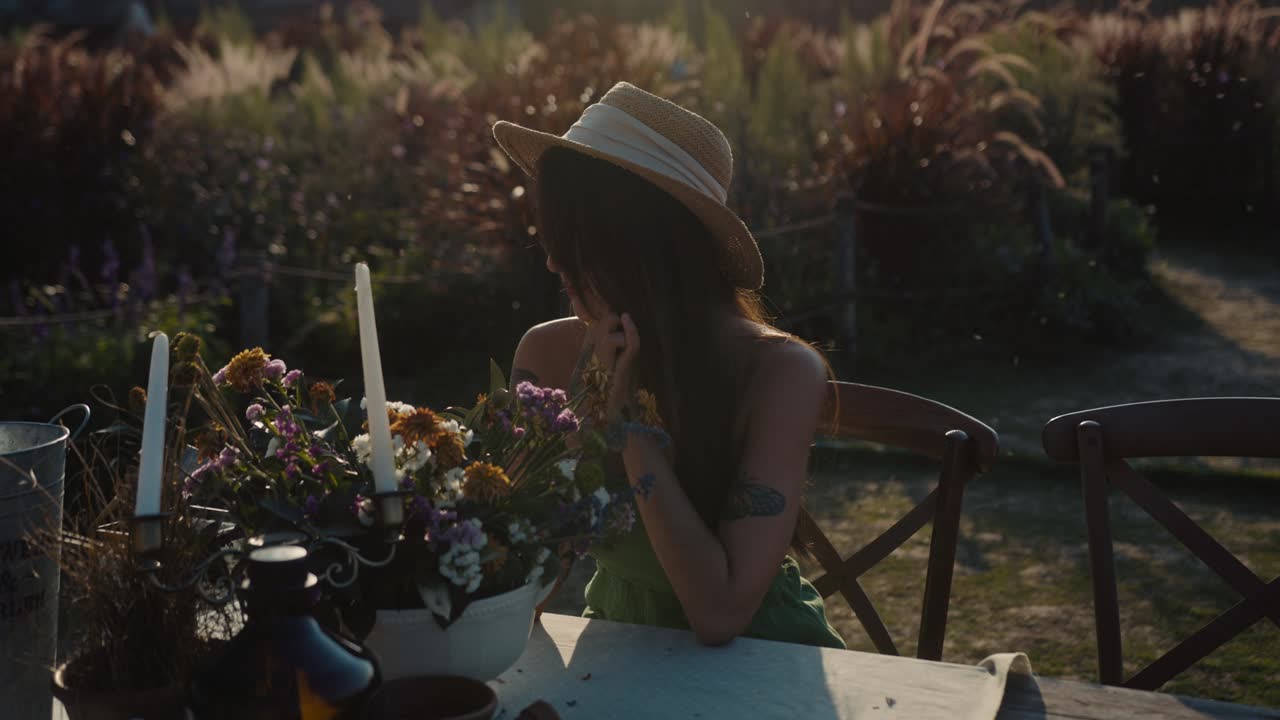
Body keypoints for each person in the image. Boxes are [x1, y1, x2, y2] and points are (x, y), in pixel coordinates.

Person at [495, 82, 845, 649]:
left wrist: (630, 428)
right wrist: (576, 434)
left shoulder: (781, 373)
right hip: (616, 647)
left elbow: (720, 614)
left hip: (763, 660)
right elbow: (512, 589)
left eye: (574, 238)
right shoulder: (546, 356)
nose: (554, 259)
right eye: (549, 233)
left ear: (642, 244)